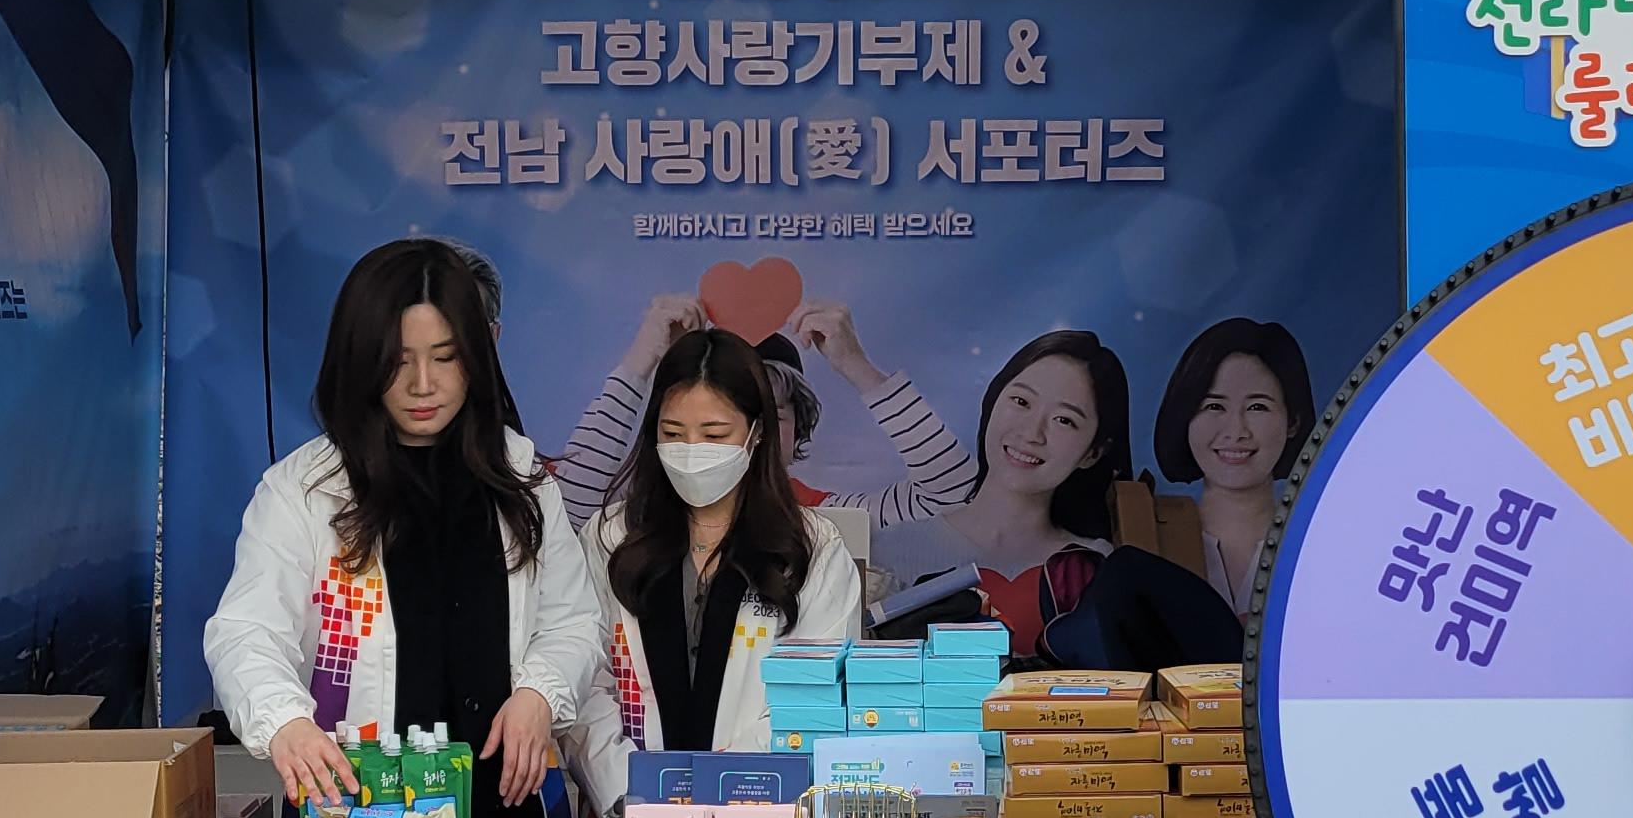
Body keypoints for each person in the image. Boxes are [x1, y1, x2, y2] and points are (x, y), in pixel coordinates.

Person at [204, 237, 602, 818]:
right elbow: (245, 632)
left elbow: (573, 622)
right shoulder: (306, 490)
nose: (423, 384)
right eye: (398, 361)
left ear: (479, 355)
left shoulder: (521, 479)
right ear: (360, 360)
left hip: (505, 814)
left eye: (445, 357)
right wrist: (284, 722)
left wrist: (540, 694)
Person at [574, 326, 863, 817]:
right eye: (672, 433)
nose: (691, 450)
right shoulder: (612, 537)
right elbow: (585, 677)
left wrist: (724, 791)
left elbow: (812, 697)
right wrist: (632, 791)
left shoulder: (811, 548)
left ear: (756, 433)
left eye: (713, 435)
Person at [554, 285, 971, 531]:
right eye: (719, 423)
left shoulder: (825, 520)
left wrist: (856, 365)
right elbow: (565, 511)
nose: (751, 437)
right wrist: (640, 363)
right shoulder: (643, 519)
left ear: (799, 429)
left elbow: (952, 495)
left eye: (772, 417)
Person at [875, 328, 1132, 657]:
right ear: (992, 401)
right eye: (1021, 402)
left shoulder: (1095, 568)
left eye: (1064, 420)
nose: (1032, 433)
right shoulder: (887, 551)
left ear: (1093, 453)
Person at [1153, 318, 1319, 617]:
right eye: (1214, 406)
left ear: (1292, 422)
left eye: (1257, 407)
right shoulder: (1147, 540)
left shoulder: (1320, 546)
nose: (1236, 431)